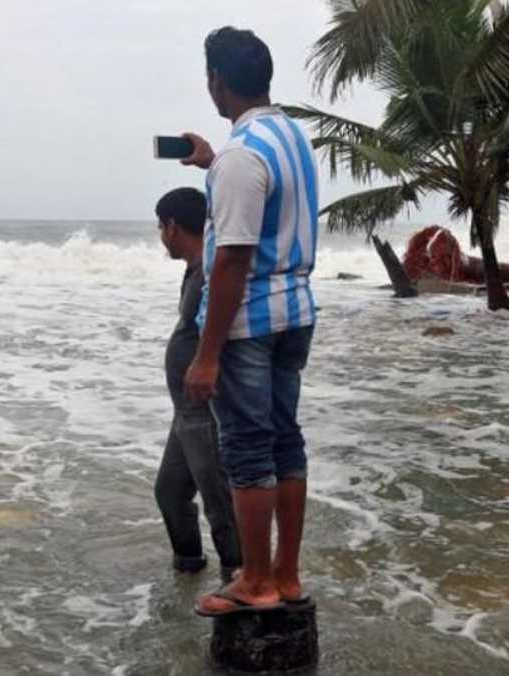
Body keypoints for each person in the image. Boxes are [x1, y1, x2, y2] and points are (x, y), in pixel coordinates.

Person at [180, 26, 320, 616]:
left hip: (250, 323)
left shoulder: (242, 155)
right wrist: (212, 162)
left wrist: (207, 353)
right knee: (285, 441)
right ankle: (285, 575)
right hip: (296, 314)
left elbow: (234, 257)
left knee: (247, 449)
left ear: (217, 81)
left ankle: (255, 581)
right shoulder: (288, 136)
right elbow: (266, 207)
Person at [154, 187, 243, 583]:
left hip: (203, 406)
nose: (160, 235)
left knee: (219, 500)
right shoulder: (196, 267)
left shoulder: (212, 269)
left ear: (172, 226)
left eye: (160, 226)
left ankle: (238, 576)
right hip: (184, 411)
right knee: (170, 492)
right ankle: (188, 570)